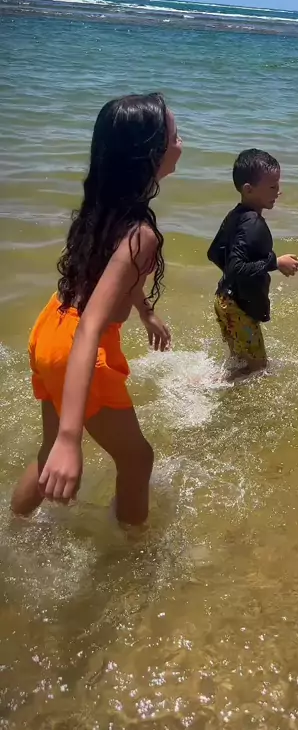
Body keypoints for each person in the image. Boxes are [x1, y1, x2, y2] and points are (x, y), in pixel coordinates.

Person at [10, 93, 182, 526]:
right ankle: (133, 552)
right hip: (78, 343)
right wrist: (72, 438)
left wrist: (144, 310)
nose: (182, 144)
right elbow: (91, 326)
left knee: (48, 452)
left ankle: (12, 525)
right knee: (138, 458)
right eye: (175, 136)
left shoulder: (104, 206)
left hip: (51, 326)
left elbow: (108, 279)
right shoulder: (141, 233)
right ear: (151, 154)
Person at [207, 149, 298, 375]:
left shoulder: (235, 215)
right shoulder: (252, 223)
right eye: (272, 187)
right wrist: (275, 262)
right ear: (249, 189)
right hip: (239, 309)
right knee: (257, 369)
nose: (278, 191)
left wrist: (233, 283)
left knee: (239, 361)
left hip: (225, 300)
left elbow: (214, 253)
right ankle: (205, 386)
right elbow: (236, 267)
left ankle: (216, 384)